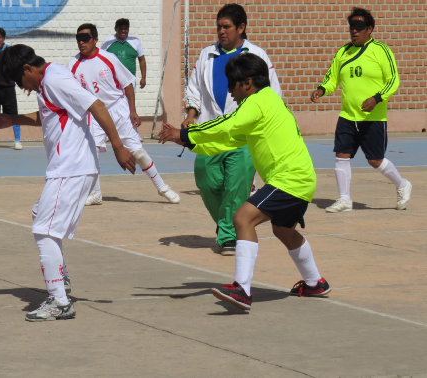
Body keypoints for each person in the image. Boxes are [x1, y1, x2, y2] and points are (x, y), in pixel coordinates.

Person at [159, 53, 331, 311]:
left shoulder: (257, 101)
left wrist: (184, 131)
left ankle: (242, 289)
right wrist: (187, 141)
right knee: (283, 230)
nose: (230, 91)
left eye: (232, 84)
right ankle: (315, 282)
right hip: (301, 180)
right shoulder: (268, 102)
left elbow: (227, 125)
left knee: (242, 218)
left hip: (289, 179)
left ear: (248, 83)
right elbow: (228, 141)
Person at [0, 44, 136, 321]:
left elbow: (96, 105)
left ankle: (59, 301)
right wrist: (13, 119)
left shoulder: (55, 79)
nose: (23, 88)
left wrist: (118, 145)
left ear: (28, 69)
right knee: (39, 214)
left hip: (71, 168)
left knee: (43, 230)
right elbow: (48, 115)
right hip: (69, 168)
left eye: (20, 82)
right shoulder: (48, 81)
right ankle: (61, 281)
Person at [182, 4, 282, 255]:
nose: (221, 31)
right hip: (211, 130)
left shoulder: (257, 55)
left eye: (226, 27)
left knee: (236, 187)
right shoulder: (206, 55)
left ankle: (228, 234)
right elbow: (194, 88)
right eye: (219, 27)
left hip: (242, 135)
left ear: (241, 28)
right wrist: (191, 115)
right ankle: (226, 223)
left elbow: (272, 93)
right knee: (207, 181)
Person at [311, 7, 411, 212]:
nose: (354, 31)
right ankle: (345, 200)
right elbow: (332, 78)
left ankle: (402, 184)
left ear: (370, 29)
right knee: (342, 154)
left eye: (359, 27)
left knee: (375, 160)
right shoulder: (343, 52)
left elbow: (393, 81)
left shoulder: (381, 50)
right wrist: (321, 89)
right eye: (351, 27)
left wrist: (377, 98)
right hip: (348, 115)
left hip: (373, 117)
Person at [68, 23, 179, 205]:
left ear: (95, 40)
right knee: (91, 152)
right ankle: (95, 194)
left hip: (118, 110)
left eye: (86, 38)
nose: (81, 42)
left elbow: (128, 84)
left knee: (138, 153)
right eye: (78, 39)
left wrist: (132, 110)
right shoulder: (73, 64)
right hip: (95, 114)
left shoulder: (108, 58)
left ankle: (162, 187)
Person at [101, 18, 146, 89]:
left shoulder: (135, 41)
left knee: (130, 100)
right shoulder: (108, 41)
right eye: (121, 29)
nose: (123, 31)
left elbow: (142, 60)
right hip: (112, 80)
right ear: (115, 29)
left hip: (130, 79)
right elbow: (101, 59)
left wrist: (143, 77)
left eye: (126, 29)